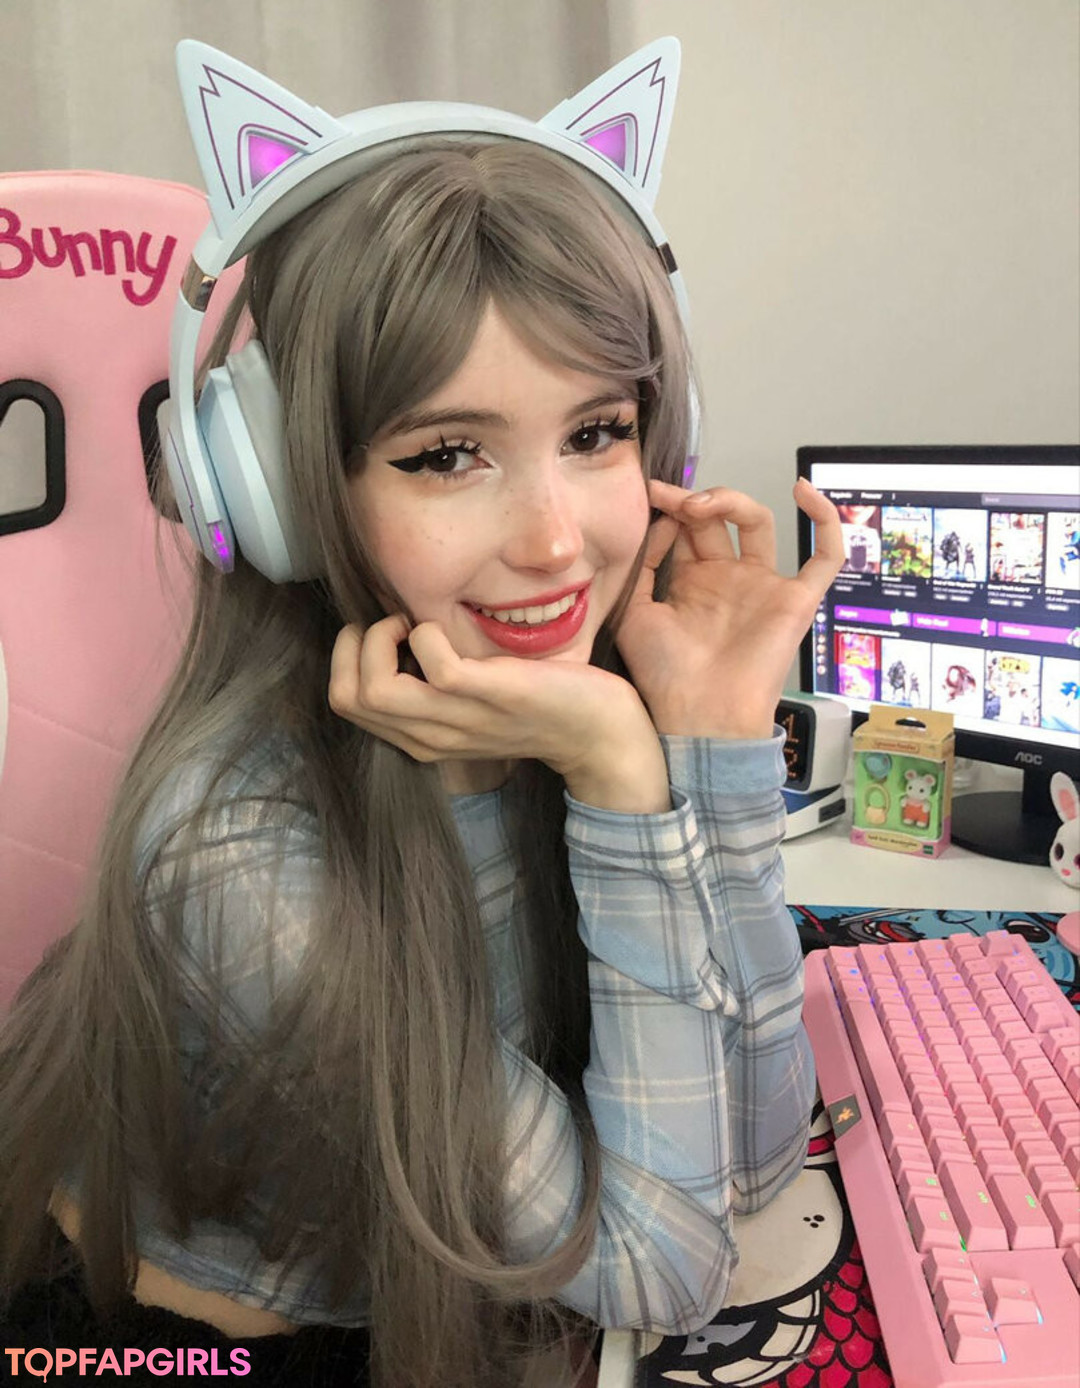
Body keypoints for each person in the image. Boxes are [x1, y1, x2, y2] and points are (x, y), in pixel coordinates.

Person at [0, 38, 843, 1388]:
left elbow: (753, 1154)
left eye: (596, 433)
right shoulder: (237, 854)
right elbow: (668, 1268)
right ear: (281, 489)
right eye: (449, 454)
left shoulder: (546, 706)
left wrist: (713, 728)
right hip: (206, 1350)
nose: (557, 542)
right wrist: (627, 772)